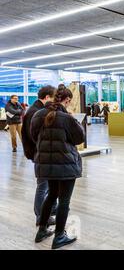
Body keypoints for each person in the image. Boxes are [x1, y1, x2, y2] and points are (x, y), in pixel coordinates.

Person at [31, 85, 85, 249]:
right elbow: (78, 138)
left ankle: (42, 230)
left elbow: (34, 136)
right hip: (65, 164)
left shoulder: (38, 115)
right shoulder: (66, 118)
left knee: (51, 194)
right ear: (67, 100)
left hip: (45, 164)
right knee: (64, 200)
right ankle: (60, 236)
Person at [22, 85, 58, 227]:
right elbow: (34, 135)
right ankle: (40, 216)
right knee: (43, 186)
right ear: (47, 97)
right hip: (39, 153)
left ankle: (47, 212)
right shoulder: (35, 112)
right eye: (54, 98)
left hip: (39, 152)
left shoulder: (35, 109)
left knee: (46, 185)